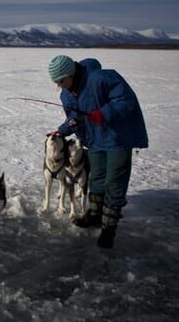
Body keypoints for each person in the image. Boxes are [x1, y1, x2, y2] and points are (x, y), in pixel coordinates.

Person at [47, 55, 148, 248]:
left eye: (61, 81)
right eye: (56, 83)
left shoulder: (102, 78)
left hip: (117, 138)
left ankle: (109, 228)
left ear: (71, 74)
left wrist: (104, 113)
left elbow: (126, 100)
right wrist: (62, 130)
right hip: (94, 140)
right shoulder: (66, 95)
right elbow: (74, 118)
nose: (60, 86)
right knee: (97, 179)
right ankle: (94, 215)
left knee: (114, 182)